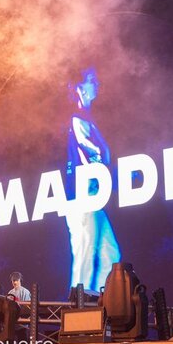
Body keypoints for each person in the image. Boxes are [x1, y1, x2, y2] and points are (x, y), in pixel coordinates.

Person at [64, 68, 121, 293]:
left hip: (93, 195)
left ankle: (101, 301)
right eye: (91, 80)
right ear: (79, 88)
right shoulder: (76, 119)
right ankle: (76, 306)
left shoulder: (87, 119)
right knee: (85, 256)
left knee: (110, 253)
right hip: (82, 195)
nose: (96, 83)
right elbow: (93, 153)